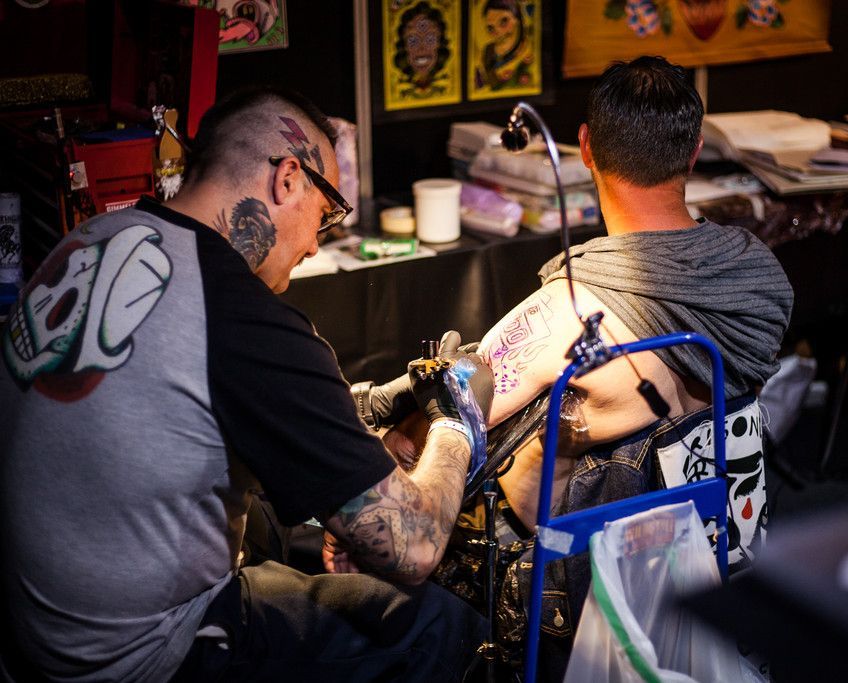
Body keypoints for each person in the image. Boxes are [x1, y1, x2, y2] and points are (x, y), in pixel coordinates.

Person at [0, 86, 493, 682]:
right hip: (134, 659)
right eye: (326, 213)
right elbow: (413, 546)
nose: (315, 243)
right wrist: (455, 420)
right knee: (439, 629)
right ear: (289, 178)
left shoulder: (94, 238)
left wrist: (370, 404)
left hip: (40, 628)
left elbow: (191, 402)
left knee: (275, 527)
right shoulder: (238, 313)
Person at [430, 55, 794, 674]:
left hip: (591, 598)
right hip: (728, 561)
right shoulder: (757, 275)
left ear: (585, 149)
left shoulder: (566, 310)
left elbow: (455, 405)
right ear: (695, 151)